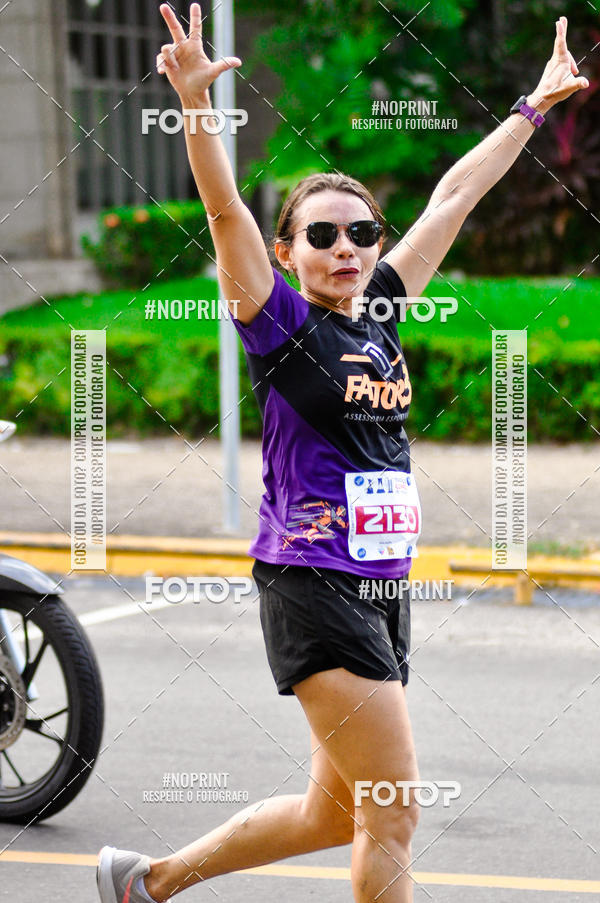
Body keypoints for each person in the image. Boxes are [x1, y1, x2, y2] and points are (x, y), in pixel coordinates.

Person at [96, 6, 588, 902]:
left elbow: (453, 198)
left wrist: (532, 106)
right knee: (393, 807)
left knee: (338, 811)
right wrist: (197, 109)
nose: (348, 249)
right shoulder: (279, 322)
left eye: (361, 232)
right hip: (312, 581)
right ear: (288, 253)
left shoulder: (386, 308)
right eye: (321, 236)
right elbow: (222, 206)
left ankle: (147, 881)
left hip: (380, 586)